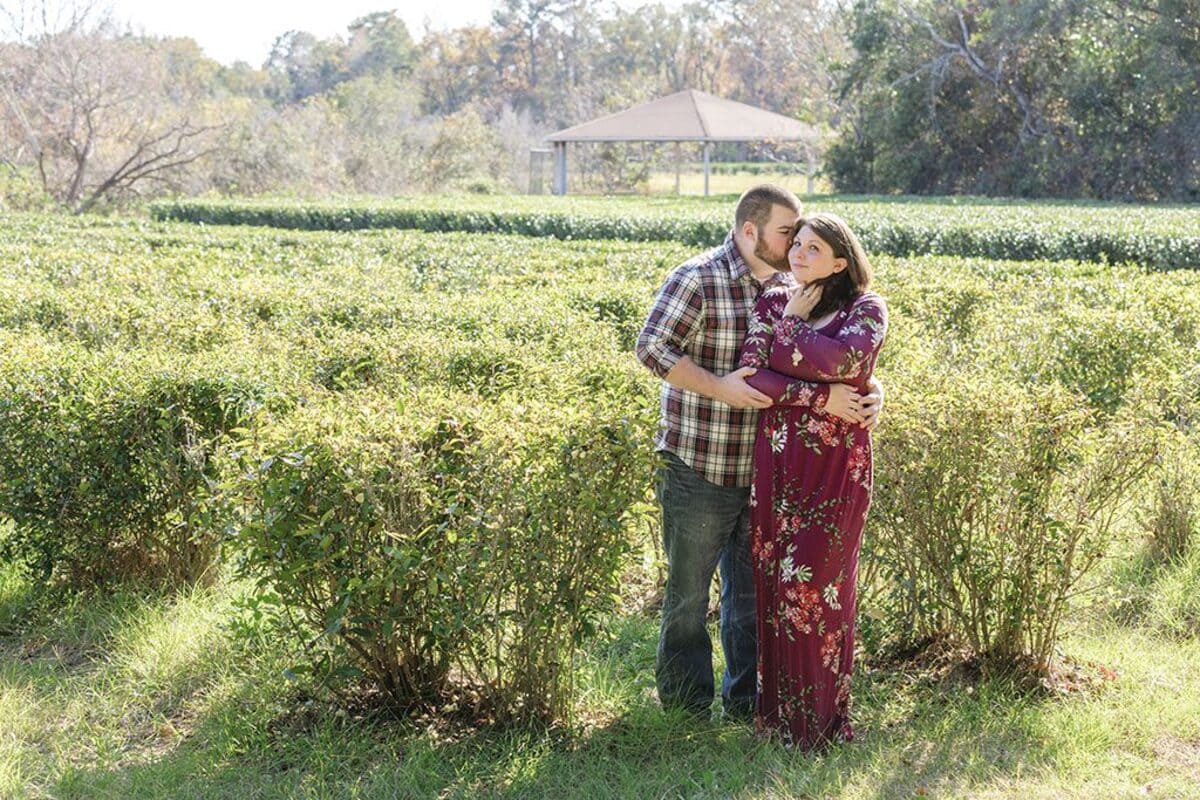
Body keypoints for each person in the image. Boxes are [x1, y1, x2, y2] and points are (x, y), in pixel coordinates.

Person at [635, 186, 882, 720]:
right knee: (686, 599)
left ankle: (745, 703)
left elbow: (830, 357)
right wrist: (721, 387)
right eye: (787, 233)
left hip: (771, 473)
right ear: (751, 232)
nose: (795, 244)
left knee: (751, 602)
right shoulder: (699, 277)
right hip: (701, 462)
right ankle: (685, 707)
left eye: (804, 238)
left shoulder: (791, 287)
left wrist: (868, 389)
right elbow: (651, 347)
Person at [737, 212, 886, 748]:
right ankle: (777, 723)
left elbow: (846, 358)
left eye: (813, 248)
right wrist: (821, 393)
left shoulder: (866, 309)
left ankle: (819, 727)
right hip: (778, 466)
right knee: (777, 589)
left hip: (836, 471)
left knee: (818, 590)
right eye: (796, 244)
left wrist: (794, 340)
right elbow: (752, 372)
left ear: (841, 261)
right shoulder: (773, 301)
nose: (798, 255)